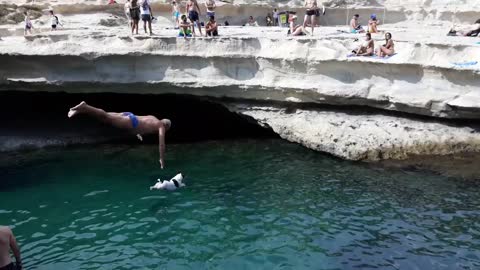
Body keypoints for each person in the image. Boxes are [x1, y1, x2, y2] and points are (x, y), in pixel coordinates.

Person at [68, 101, 171, 168]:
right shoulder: (160, 126)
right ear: (166, 126)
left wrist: (137, 133)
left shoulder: (153, 118)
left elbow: (142, 124)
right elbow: (161, 144)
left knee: (105, 118)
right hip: (131, 121)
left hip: (129, 115)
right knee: (106, 117)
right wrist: (161, 159)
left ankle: (80, 110)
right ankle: (85, 107)